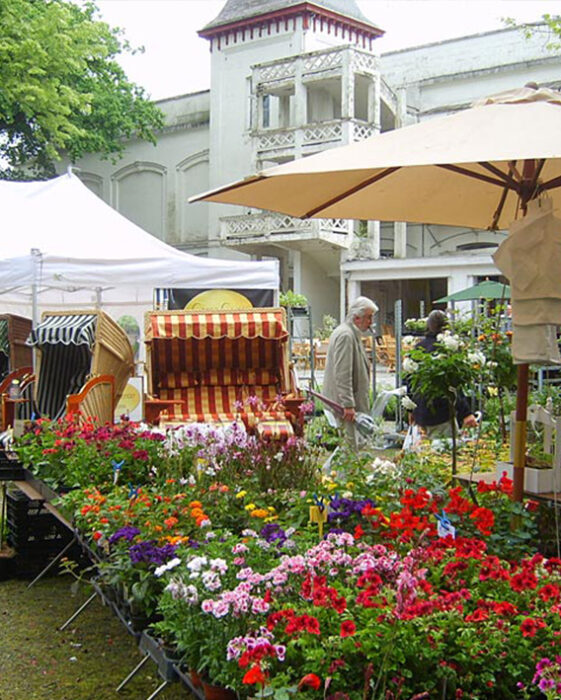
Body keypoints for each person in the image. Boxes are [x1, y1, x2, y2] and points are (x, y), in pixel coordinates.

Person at [409, 309, 478, 438]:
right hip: (441, 413)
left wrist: (411, 410)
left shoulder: (418, 348)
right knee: (442, 452)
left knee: (423, 453)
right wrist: (466, 413)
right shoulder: (447, 349)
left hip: (421, 413)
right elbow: (453, 386)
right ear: (446, 326)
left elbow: (409, 382)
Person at [322, 296, 378, 449]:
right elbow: (342, 373)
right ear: (356, 317)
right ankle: (343, 474)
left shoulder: (350, 333)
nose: (371, 322)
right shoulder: (346, 335)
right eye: (369, 317)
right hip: (343, 406)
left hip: (346, 405)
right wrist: (348, 405)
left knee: (351, 447)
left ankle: (338, 472)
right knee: (350, 448)